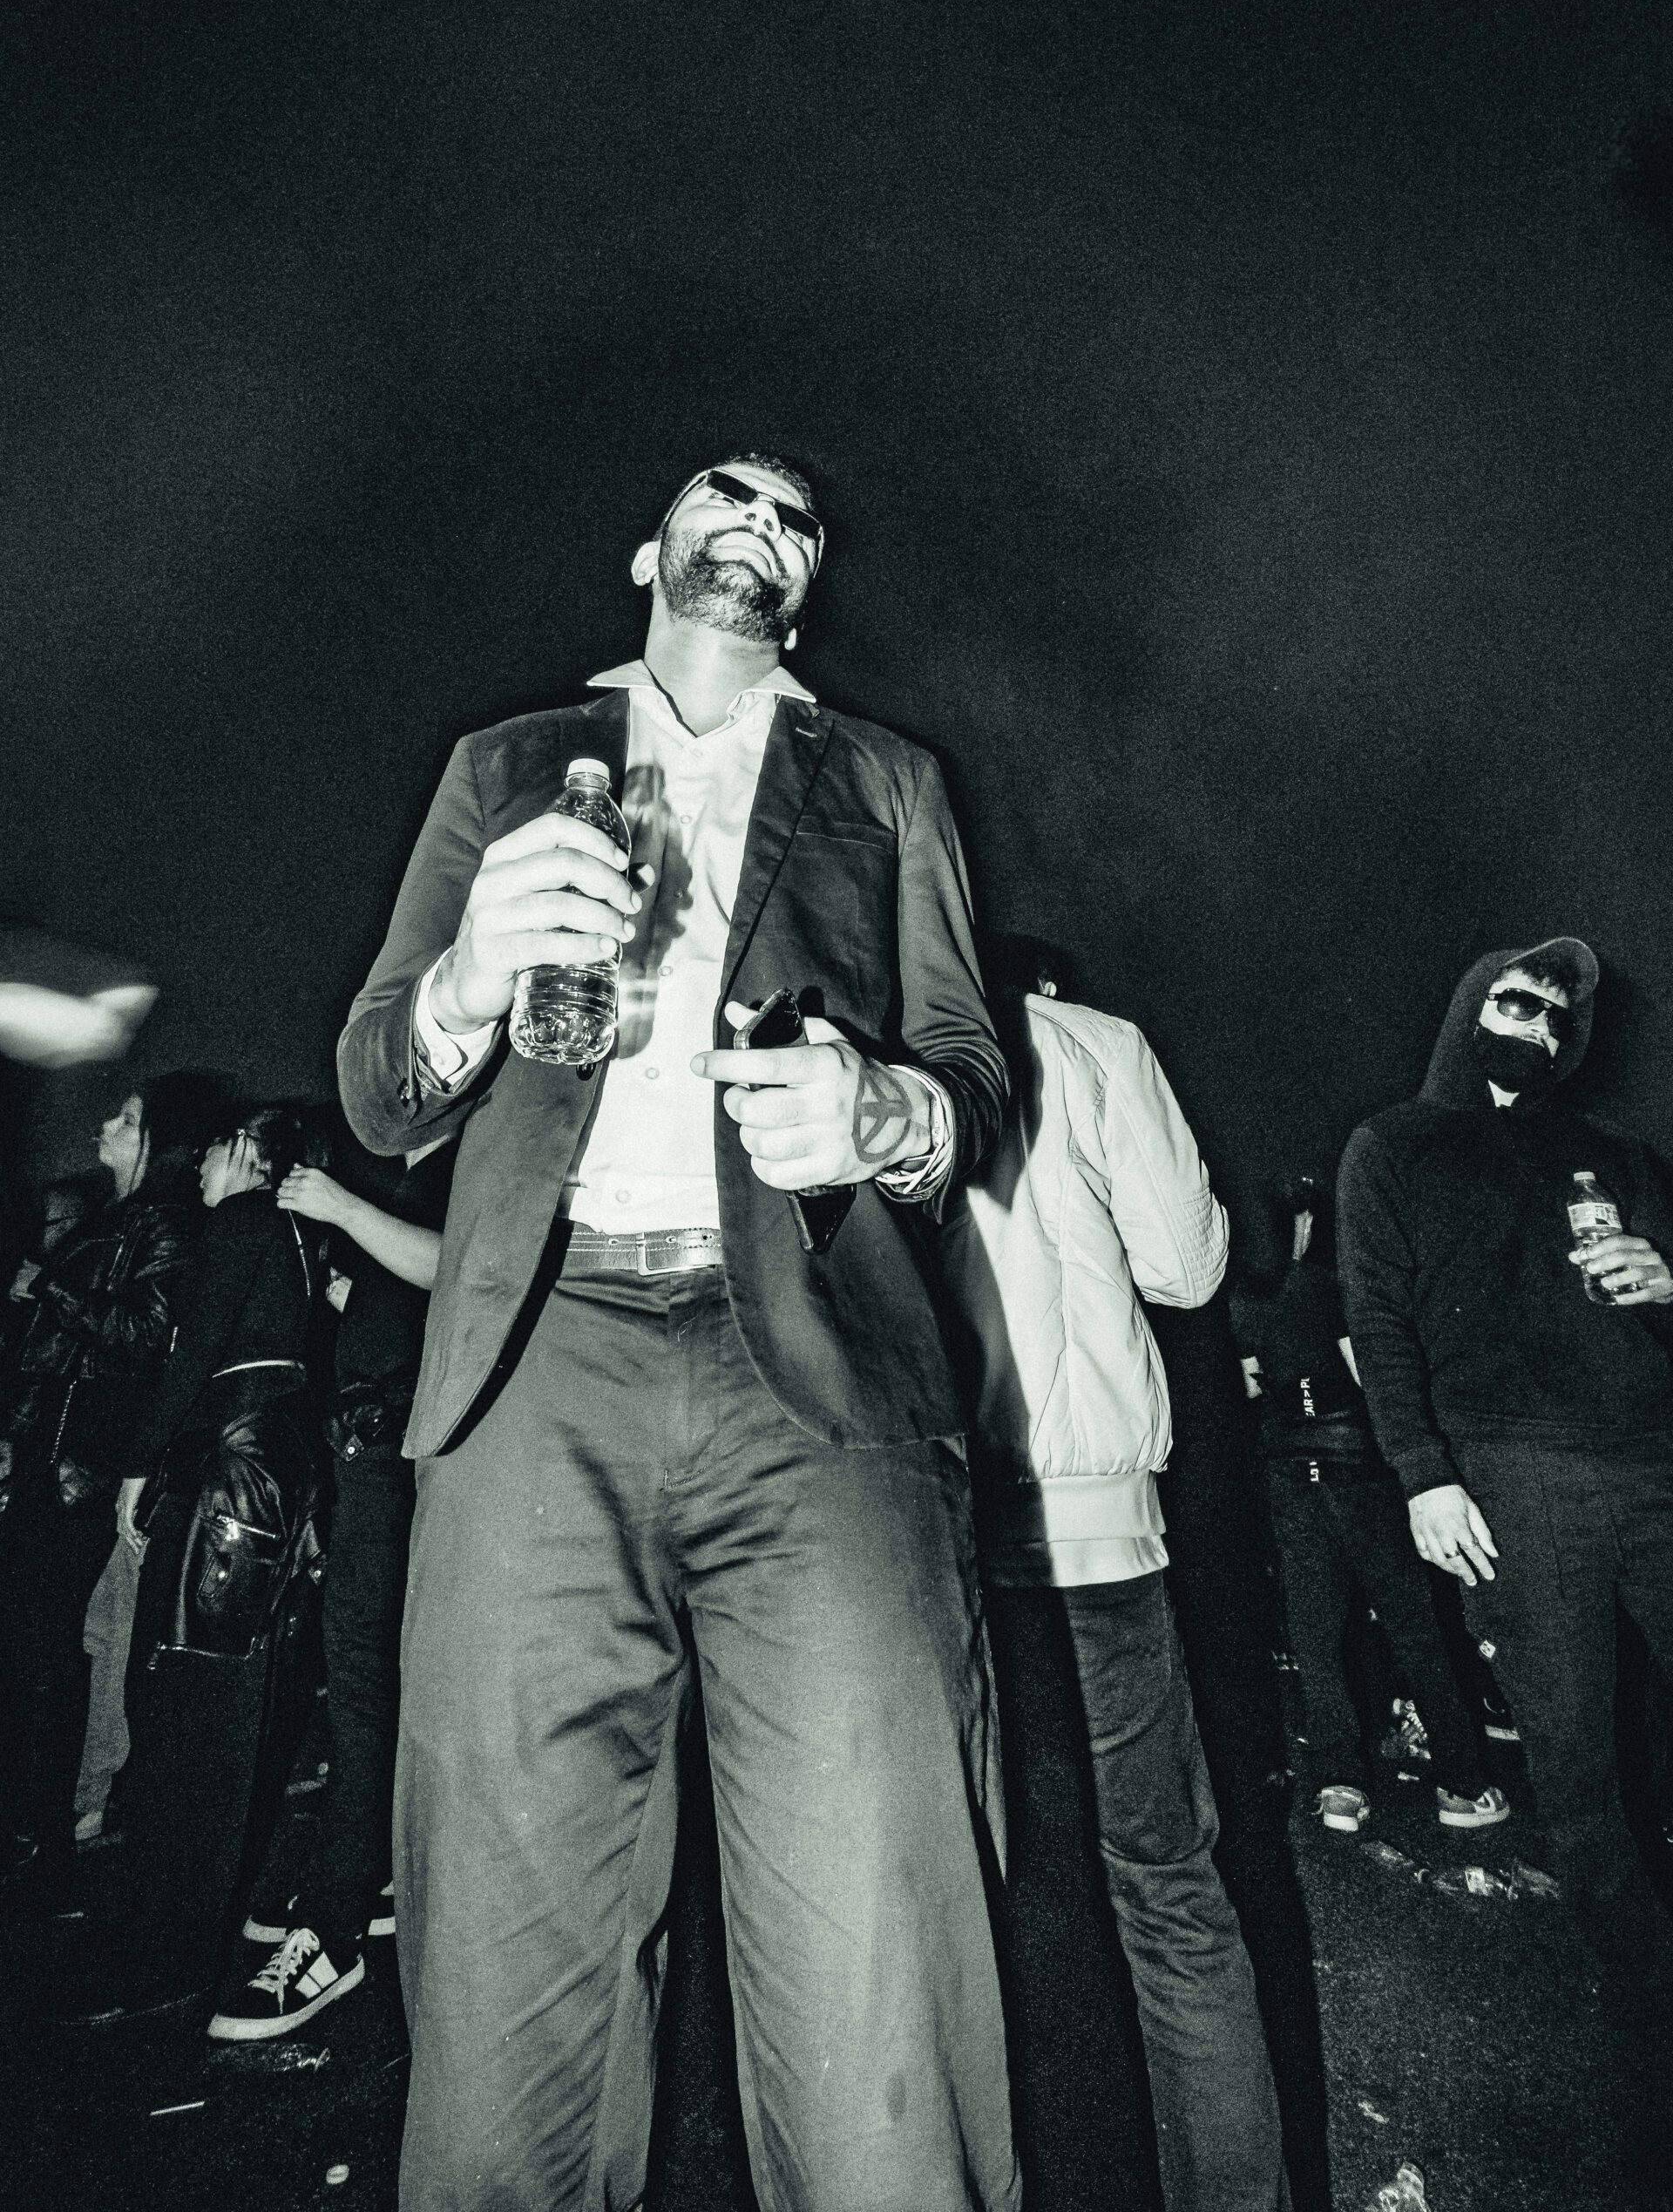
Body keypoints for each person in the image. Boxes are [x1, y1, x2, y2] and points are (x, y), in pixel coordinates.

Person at [338, 455, 1017, 2212]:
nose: (762, 522)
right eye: (729, 495)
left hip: (821, 1382)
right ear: (651, 550)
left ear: (807, 580)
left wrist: (882, 1110)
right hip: (539, 1362)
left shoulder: (887, 780)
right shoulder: (503, 765)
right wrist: (467, 980)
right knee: (503, 1987)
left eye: (797, 517)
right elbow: (381, 1090)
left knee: (880, 1964)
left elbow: (976, 1084)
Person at [937, 937, 1289, 2212]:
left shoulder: (862, 1026)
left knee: (961, 1911)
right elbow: (1188, 1268)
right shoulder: (1092, 1043)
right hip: (1093, 1533)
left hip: (923, 1531)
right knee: (1167, 1889)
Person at [1338, 937, 1673, 2181]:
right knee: (1579, 1775)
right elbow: (1377, 1320)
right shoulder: (1396, 1146)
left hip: (1657, 1462)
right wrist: (1423, 1474)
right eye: (1514, 998)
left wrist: (1669, 1282)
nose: (1534, 1020)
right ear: (1469, 1004)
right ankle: (1654, 2034)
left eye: (1554, 1012)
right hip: (1515, 1482)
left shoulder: (1621, 1158)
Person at [64, 1103, 331, 2021]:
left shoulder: (247, 1220)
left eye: (217, 1146)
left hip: (226, 1476)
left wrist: (139, 1468)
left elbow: (195, 1355)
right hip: (262, 1476)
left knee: (183, 1713)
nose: (201, 1162)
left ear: (250, 1153)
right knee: (214, 1715)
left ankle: (164, 1952)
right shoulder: (300, 1237)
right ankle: (175, 1936)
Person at [209, 1137, 453, 2040]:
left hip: (411, 1454)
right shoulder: (406, 1170)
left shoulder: (469, 1155)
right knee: (365, 1683)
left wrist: (344, 1210)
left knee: (369, 1688)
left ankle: (335, 1925)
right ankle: (363, 1874)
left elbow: (467, 1268)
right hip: (369, 1450)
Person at [0, 1074, 223, 1917]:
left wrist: (49, 1287)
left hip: (82, 1471)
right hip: (49, 1460)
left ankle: (48, 1847)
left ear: (158, 1141)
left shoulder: (162, 1224)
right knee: (35, 1648)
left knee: (49, 1652)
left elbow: (145, 1335)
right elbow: (52, 1359)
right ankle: (38, 1833)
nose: (106, 1124)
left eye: (127, 1119)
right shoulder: (112, 1220)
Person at [1231, 1175, 1507, 1837]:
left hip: (1291, 1476)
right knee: (1416, 1627)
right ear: (1302, 1224)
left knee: (1316, 1637)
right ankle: (1463, 1786)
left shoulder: (1243, 1298)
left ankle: (1340, 1787)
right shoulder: (1332, 1286)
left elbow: (1252, 1388)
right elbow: (1372, 1379)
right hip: (1361, 1475)